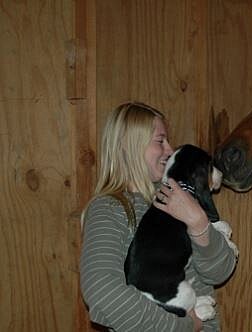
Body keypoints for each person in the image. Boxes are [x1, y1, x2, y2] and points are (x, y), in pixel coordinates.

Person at [79, 102, 237, 331]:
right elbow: (103, 293)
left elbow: (218, 273)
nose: (170, 150)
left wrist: (199, 224)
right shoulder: (109, 209)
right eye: (160, 141)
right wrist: (182, 326)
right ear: (129, 145)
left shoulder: (178, 197)